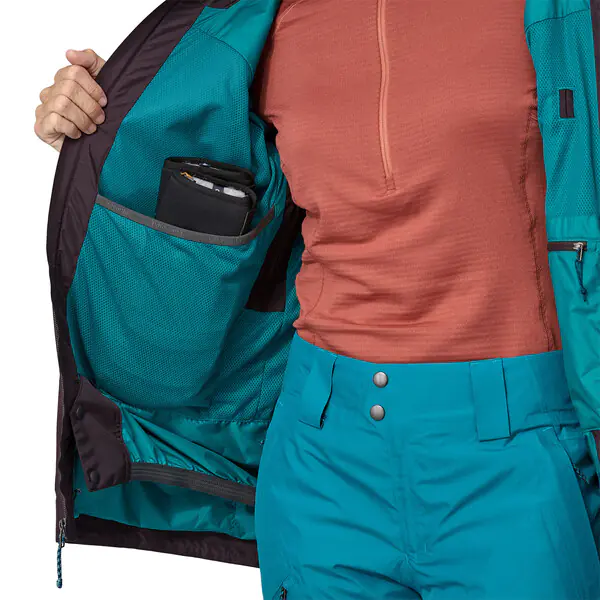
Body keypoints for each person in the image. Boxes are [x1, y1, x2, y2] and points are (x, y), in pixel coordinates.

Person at [36, 2, 600, 598]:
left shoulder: (554, 13)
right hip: (320, 448)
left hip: (517, 449)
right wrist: (108, 124)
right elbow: (192, 161)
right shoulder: (263, 18)